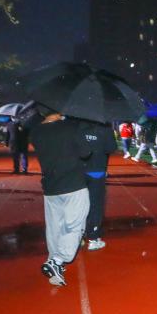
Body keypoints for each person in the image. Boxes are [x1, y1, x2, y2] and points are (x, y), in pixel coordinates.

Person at [31, 112, 93, 286]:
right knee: (74, 226)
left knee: (54, 228)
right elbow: (86, 152)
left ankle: (54, 263)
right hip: (73, 185)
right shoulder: (71, 127)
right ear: (58, 111)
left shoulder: (36, 131)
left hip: (51, 186)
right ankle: (58, 260)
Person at [80, 120, 117, 251]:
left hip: (79, 171)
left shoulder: (77, 126)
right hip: (97, 171)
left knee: (78, 204)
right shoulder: (104, 128)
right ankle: (93, 237)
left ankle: (78, 236)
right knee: (95, 204)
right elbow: (111, 148)